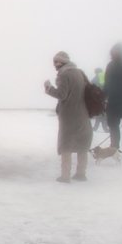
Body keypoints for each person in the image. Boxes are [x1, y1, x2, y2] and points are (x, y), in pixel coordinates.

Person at [44, 51, 92, 182]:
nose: (55, 64)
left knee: (66, 145)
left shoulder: (64, 74)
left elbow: (62, 94)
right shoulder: (79, 72)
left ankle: (65, 176)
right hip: (83, 112)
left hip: (69, 114)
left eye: (57, 61)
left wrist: (48, 88)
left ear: (63, 62)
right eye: (54, 62)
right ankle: (81, 174)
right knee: (82, 145)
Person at [90, 67, 109, 133]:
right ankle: (104, 128)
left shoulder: (96, 78)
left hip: (98, 98)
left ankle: (97, 127)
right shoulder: (105, 76)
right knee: (103, 113)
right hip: (105, 98)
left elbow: (92, 85)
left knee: (100, 113)